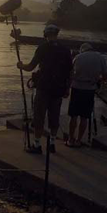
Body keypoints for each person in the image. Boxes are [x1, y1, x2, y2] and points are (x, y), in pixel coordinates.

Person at [17, 24, 72, 154]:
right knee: (54, 117)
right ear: (57, 34)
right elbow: (70, 72)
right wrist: (67, 89)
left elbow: (30, 67)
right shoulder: (65, 50)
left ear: (45, 35)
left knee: (39, 117)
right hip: (59, 89)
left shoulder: (42, 48)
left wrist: (20, 65)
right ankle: (52, 144)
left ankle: (37, 145)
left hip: (43, 88)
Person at [66, 43, 107, 147]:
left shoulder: (78, 57)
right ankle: (79, 141)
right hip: (89, 90)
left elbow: (71, 74)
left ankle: (70, 140)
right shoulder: (101, 58)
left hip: (76, 89)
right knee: (84, 117)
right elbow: (105, 75)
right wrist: (97, 80)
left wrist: (67, 88)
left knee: (73, 116)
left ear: (82, 50)